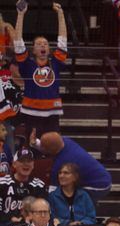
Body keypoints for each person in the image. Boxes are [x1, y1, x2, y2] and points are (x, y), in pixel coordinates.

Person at [12, 3, 67, 134]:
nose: (42, 45)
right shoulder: (27, 65)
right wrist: (20, 14)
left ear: (49, 49)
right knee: (33, 148)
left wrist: (61, 14)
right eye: (38, 44)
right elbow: (18, 43)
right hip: (31, 113)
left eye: (45, 44)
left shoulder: (56, 63)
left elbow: (63, 41)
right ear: (34, 50)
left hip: (52, 114)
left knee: (52, 149)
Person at [36, 132, 113, 204]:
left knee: (68, 201)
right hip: (103, 177)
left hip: (97, 186)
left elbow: (53, 192)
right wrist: (35, 143)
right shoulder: (65, 140)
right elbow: (51, 146)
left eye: (43, 147)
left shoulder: (62, 163)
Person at [0, 147, 47, 226]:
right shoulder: (2, 183)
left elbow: (43, 212)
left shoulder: (39, 185)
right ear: (14, 164)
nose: (26, 164)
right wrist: (10, 218)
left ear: (33, 165)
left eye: (29, 161)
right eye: (22, 161)